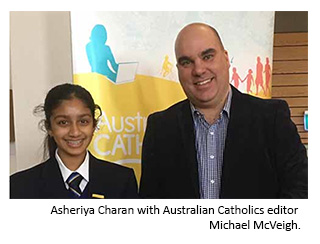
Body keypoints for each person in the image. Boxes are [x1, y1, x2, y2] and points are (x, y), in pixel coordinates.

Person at [139, 23, 308, 199]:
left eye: (207, 56)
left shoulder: (272, 118)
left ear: (226, 58)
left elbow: (301, 193)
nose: (198, 70)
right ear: (178, 70)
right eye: (187, 62)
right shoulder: (160, 128)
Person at [10, 83, 138, 199]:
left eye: (83, 122)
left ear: (94, 125)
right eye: (63, 122)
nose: (75, 132)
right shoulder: (19, 186)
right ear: (49, 127)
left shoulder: (122, 180)